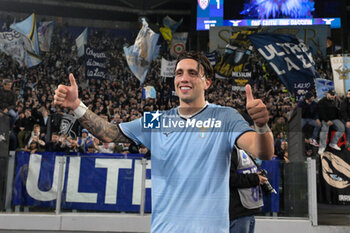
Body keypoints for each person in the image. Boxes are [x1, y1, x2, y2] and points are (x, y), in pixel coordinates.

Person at [54, 51, 274, 233]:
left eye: (192, 73)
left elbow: (262, 151)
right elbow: (109, 134)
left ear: (207, 82)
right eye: (179, 73)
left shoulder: (225, 117)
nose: (184, 78)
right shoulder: (158, 120)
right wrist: (76, 105)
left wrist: (262, 126)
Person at [229, 148, 266, 233]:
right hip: (238, 212)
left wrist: (257, 176)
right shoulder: (230, 151)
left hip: (248, 211)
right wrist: (255, 179)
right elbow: (230, 179)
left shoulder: (243, 150)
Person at [317, 90, 345, 154]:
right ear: (328, 94)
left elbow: (337, 110)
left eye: (333, 95)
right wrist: (327, 120)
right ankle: (322, 146)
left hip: (334, 119)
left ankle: (333, 143)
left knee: (342, 128)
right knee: (324, 130)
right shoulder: (322, 101)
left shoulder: (335, 101)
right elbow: (321, 113)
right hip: (325, 119)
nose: (332, 96)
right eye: (331, 95)